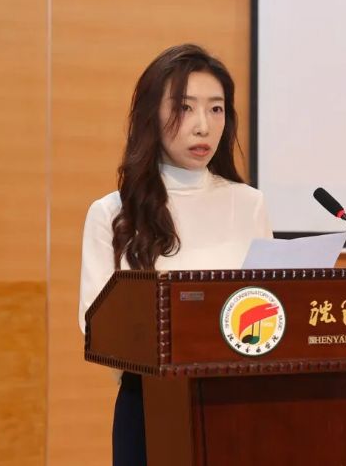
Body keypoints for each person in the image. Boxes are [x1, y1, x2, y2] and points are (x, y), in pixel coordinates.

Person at [77, 44, 273, 466]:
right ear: (152, 115)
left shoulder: (249, 203)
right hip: (150, 404)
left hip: (241, 402)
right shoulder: (113, 214)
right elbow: (96, 325)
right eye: (185, 108)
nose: (203, 126)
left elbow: (270, 307)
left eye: (216, 109)